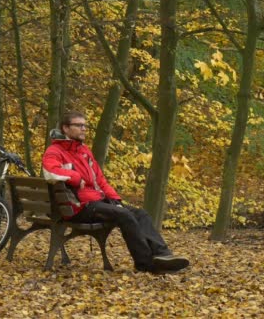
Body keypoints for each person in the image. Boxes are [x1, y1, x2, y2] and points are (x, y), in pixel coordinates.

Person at [42, 110, 189, 274]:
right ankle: (146, 264)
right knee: (125, 216)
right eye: (79, 125)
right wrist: (76, 177)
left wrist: (115, 199)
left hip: (98, 202)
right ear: (66, 128)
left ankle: (163, 256)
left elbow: (100, 180)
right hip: (79, 207)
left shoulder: (84, 152)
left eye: (85, 125)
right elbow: (50, 172)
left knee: (140, 213)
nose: (84, 129)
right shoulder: (55, 151)